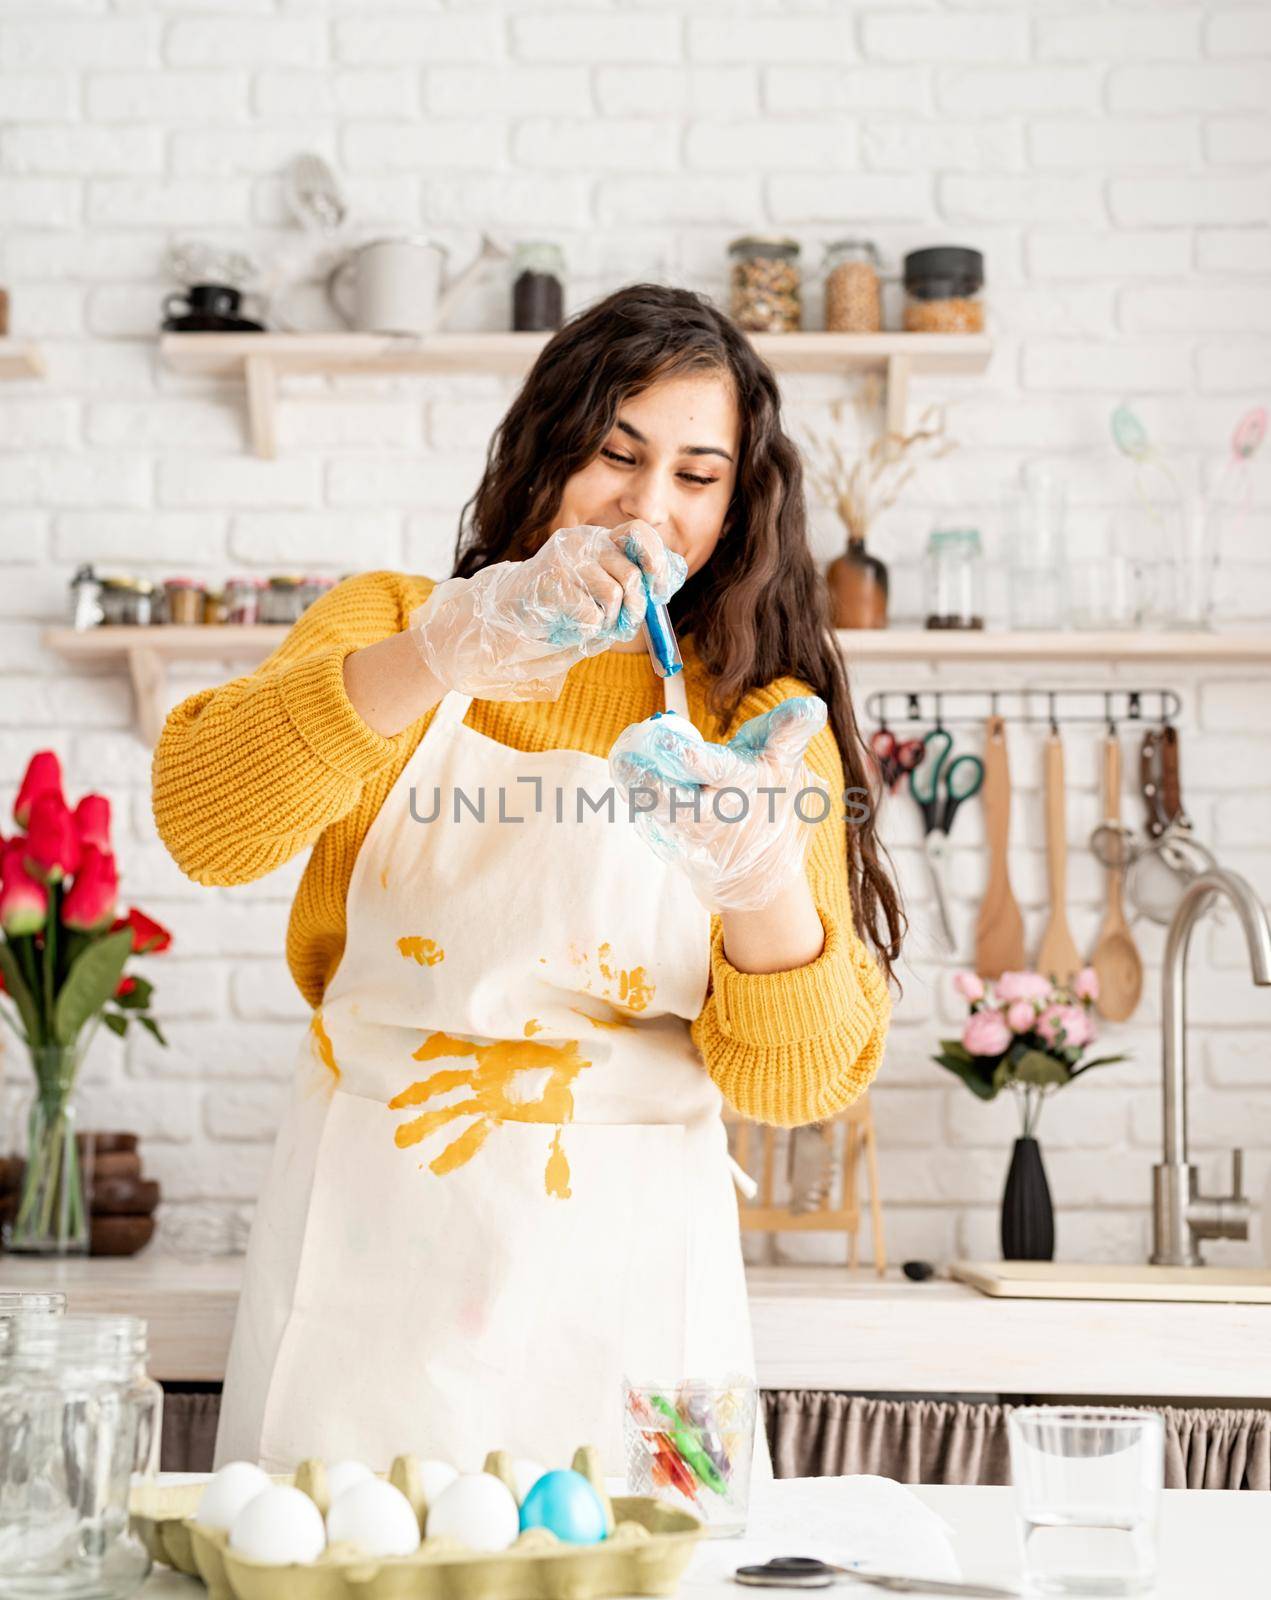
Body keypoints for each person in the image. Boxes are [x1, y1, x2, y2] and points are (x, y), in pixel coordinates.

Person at [153, 283, 901, 1479]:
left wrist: (758, 879)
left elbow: (798, 1081)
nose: (648, 506)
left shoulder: (751, 715)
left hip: (643, 1284)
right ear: (547, 446)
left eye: (695, 476)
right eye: (616, 453)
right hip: (374, 1255)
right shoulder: (392, 622)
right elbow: (204, 824)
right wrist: (440, 650)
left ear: (736, 503)